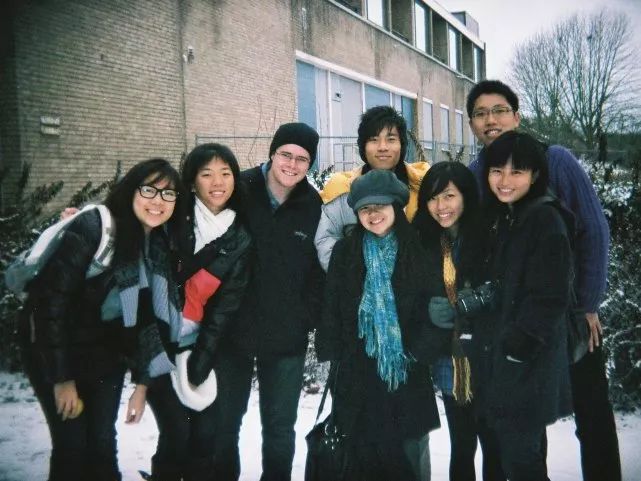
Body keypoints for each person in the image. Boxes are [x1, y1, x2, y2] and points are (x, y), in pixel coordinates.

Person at [466, 79, 620, 481]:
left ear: (517, 116)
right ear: (472, 124)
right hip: (516, 318)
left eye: (499, 110)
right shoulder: (478, 173)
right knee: (526, 420)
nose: (490, 120)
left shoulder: (556, 161)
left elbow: (593, 231)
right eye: (480, 113)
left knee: (591, 411)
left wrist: (587, 305)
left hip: (569, 315)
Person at [19, 158, 185, 481]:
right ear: (131, 190)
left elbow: (146, 322)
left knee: (102, 442)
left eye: (168, 194)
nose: (158, 201)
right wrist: (62, 379)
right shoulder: (94, 227)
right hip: (55, 346)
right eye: (149, 190)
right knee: (72, 446)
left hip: (105, 352)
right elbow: (51, 304)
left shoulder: (156, 246)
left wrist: (142, 384)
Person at [211, 122, 325, 481]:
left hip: (285, 335)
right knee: (224, 422)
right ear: (272, 153)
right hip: (232, 331)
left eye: (302, 159)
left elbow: (317, 273)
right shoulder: (239, 189)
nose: (292, 165)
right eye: (286, 155)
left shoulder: (312, 205)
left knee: (279, 427)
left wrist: (304, 317)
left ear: (310, 164)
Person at [316, 169, 440, 481]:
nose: (373, 215)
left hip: (405, 373)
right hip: (357, 377)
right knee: (361, 461)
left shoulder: (418, 250)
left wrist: (416, 352)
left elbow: (433, 310)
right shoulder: (346, 252)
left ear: (396, 206)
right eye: (365, 209)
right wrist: (335, 356)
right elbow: (331, 308)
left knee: (408, 459)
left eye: (380, 206)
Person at [141, 144, 252, 480]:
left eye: (225, 173)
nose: (217, 182)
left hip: (195, 346)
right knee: (176, 433)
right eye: (206, 174)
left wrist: (200, 365)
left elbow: (224, 310)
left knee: (205, 435)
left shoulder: (239, 237)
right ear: (191, 183)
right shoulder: (171, 221)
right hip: (159, 344)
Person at [479, 131, 573, 480]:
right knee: (517, 454)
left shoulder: (544, 219)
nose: (504, 181)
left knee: (522, 460)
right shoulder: (510, 215)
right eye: (497, 171)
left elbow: (550, 296)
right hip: (510, 362)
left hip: (526, 362)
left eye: (516, 172)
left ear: (534, 175)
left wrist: (517, 347)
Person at [412, 161, 504, 481]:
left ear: (466, 196)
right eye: (433, 198)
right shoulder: (423, 240)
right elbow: (411, 292)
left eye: (449, 196)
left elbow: (505, 286)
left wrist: (469, 302)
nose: (441, 206)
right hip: (450, 360)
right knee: (462, 445)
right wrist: (426, 309)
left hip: (489, 354)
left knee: (494, 445)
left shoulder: (490, 234)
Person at [315, 105, 429, 271]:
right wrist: (351, 275)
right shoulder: (343, 188)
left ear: (402, 145)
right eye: (374, 140)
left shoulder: (423, 186)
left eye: (391, 139)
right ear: (363, 146)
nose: (382, 147)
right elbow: (326, 238)